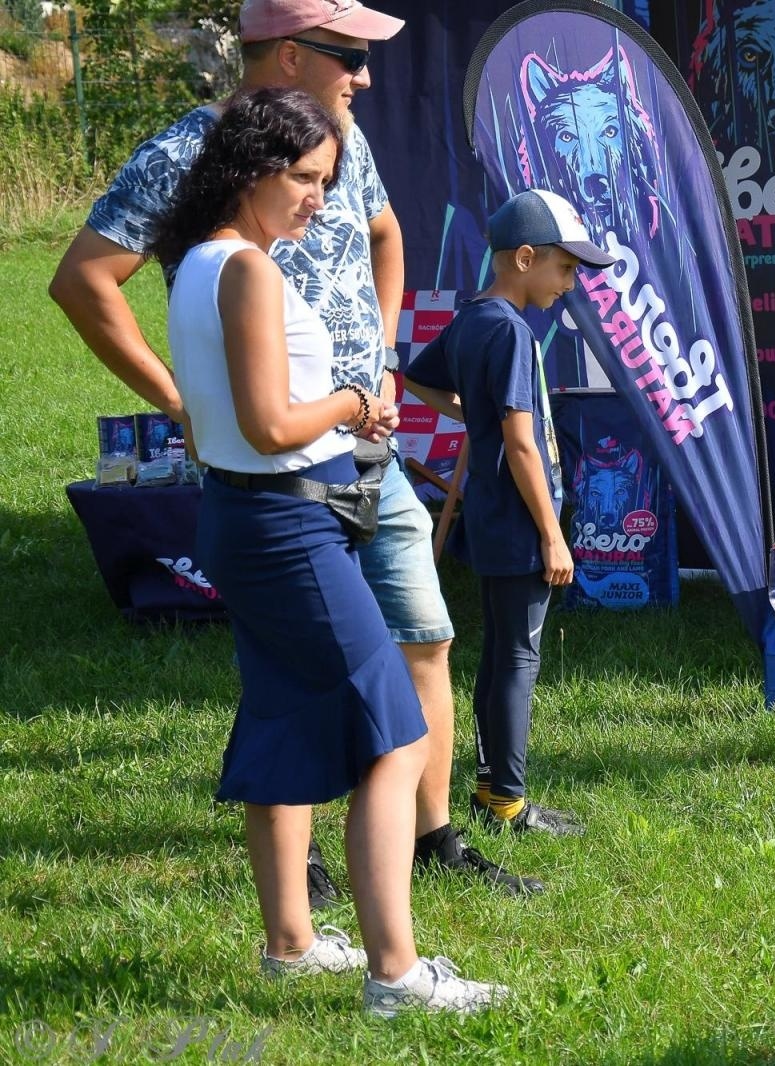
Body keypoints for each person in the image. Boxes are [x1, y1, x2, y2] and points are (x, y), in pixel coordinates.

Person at [48, 0, 540, 898]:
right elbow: (83, 279)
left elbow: (386, 234)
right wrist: (179, 398)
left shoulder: (339, 136)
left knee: (425, 638)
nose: (365, 75)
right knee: (293, 663)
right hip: (277, 469)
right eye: (348, 55)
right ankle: (304, 865)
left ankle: (432, 839)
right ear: (285, 54)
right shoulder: (184, 153)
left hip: (368, 449)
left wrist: (382, 359)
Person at [153, 85, 505, 1015]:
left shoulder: (201, 261)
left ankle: (292, 944)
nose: (319, 198)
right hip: (286, 524)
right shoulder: (248, 271)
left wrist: (337, 417)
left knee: (282, 715)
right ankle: (396, 974)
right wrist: (352, 403)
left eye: (327, 180)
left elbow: (224, 423)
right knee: (396, 734)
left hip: (248, 517)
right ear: (253, 171)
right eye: (306, 179)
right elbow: (270, 425)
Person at [404, 190, 615, 833]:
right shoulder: (513, 332)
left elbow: (416, 377)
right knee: (519, 656)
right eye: (565, 268)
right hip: (522, 522)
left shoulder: (473, 318)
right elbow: (522, 443)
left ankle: (491, 787)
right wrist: (552, 534)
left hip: (491, 517)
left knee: (500, 652)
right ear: (525, 258)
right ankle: (508, 802)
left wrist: (474, 414)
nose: (570, 284)